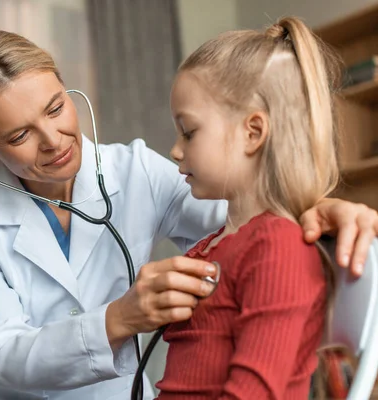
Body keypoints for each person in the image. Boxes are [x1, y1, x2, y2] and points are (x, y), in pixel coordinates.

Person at [0, 30, 378, 399]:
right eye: (20, 134)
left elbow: (245, 213)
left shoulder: (137, 171)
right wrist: (121, 317)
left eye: (55, 108)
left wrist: (319, 208)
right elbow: (2, 355)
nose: (53, 140)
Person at [156, 17, 356, 399]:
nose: (176, 150)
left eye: (189, 132)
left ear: (253, 132)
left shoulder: (279, 247)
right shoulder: (216, 244)